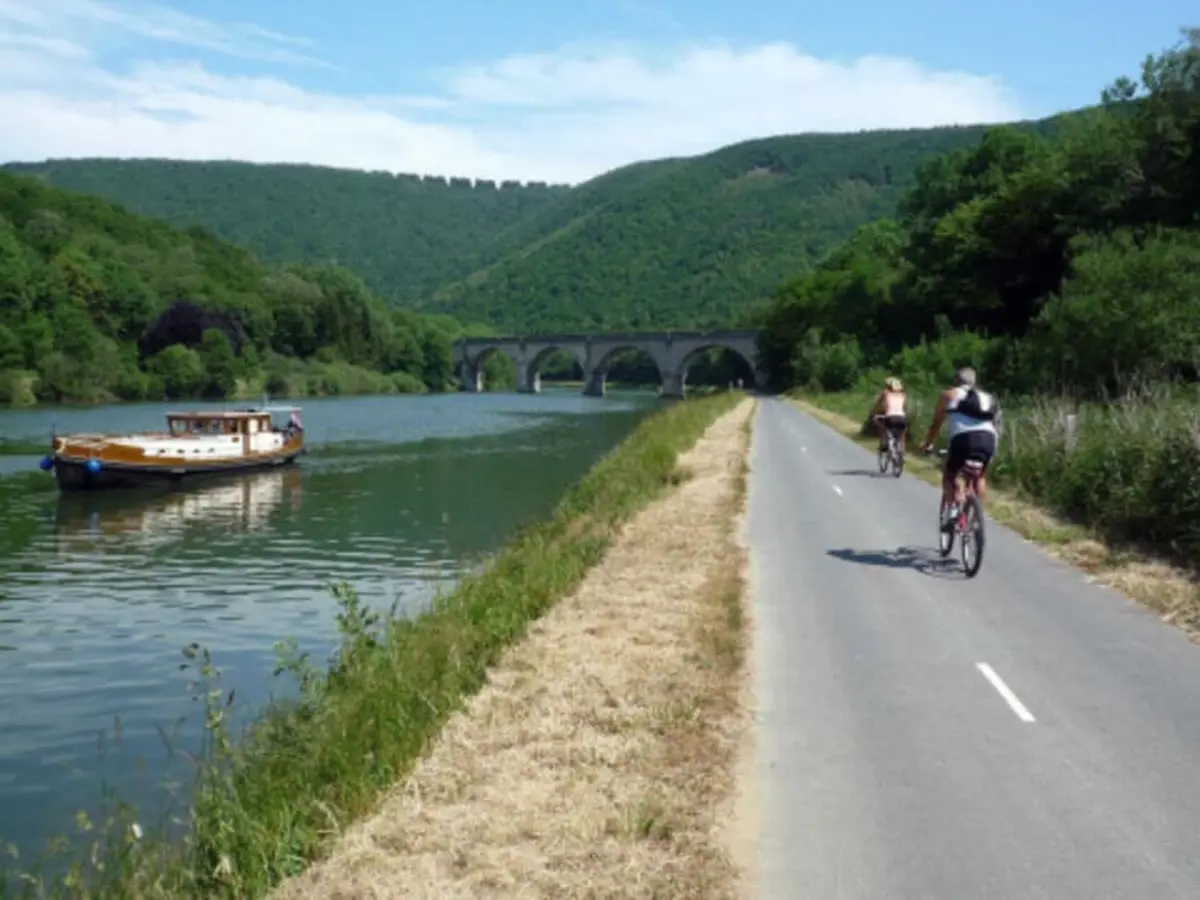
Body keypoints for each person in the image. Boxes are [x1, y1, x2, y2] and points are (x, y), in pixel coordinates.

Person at [921, 367, 1002, 524]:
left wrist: (928, 443)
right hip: (989, 438)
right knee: (980, 475)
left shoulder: (949, 394)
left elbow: (936, 423)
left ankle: (952, 512)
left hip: (963, 439)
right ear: (974, 382)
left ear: (956, 380)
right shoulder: (988, 397)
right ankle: (978, 518)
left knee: (951, 474)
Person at [869, 376, 909, 452]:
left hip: (890, 417)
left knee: (881, 424)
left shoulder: (885, 393)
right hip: (902, 418)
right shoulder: (903, 395)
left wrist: (873, 412)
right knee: (903, 431)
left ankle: (884, 442)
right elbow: (905, 408)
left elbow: (877, 405)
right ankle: (902, 451)